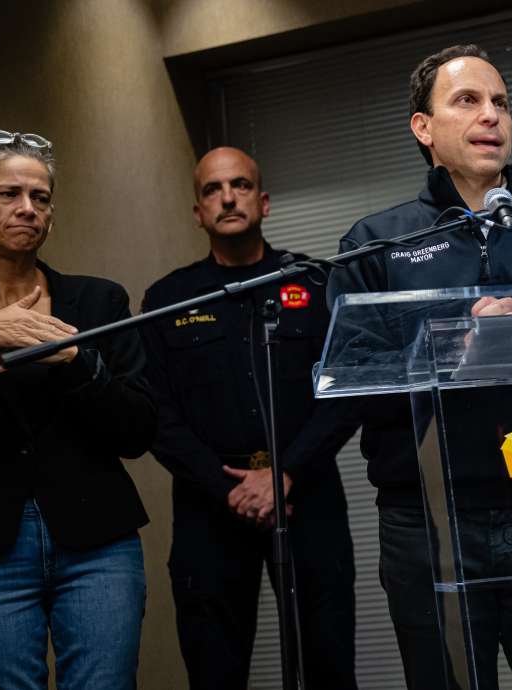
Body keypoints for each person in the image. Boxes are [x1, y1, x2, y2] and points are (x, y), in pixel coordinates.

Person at [328, 44, 512, 690]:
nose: (492, 115)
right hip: (428, 521)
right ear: (423, 128)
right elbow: (349, 382)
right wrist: (453, 350)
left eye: (501, 103)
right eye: (468, 100)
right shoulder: (377, 243)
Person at [0, 130, 155, 689]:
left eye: (41, 197)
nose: (28, 208)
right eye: (9, 194)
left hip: (97, 541)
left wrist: (73, 356)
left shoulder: (99, 301)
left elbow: (139, 429)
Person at [141, 147, 357, 690]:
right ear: (197, 211)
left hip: (306, 494)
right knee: (215, 670)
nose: (227, 197)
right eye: (213, 189)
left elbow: (345, 390)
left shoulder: (312, 283)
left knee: (328, 664)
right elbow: (156, 414)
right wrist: (226, 487)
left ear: (262, 202)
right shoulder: (167, 300)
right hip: (210, 505)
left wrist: (285, 472)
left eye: (239, 185)